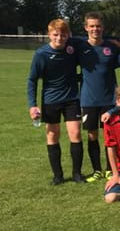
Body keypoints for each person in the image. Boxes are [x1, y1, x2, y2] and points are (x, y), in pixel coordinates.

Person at [27, 19, 85, 185]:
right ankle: (58, 176)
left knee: (75, 134)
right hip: (50, 100)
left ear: (68, 35)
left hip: (72, 99)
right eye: (55, 34)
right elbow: (32, 80)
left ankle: (77, 174)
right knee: (52, 135)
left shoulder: (72, 47)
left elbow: (93, 37)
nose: (59, 38)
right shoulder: (41, 54)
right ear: (49, 35)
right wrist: (32, 105)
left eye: (63, 34)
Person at [75, 12, 120, 182]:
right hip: (89, 100)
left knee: (111, 135)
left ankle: (110, 168)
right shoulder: (80, 47)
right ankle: (97, 170)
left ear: (103, 27)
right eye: (92, 26)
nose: (95, 29)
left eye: (98, 26)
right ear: (86, 27)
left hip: (109, 100)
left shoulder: (112, 48)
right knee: (92, 135)